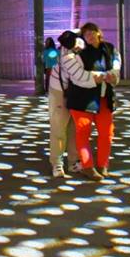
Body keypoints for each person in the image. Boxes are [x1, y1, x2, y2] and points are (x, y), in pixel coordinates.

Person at [59, 22, 121, 181]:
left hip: (104, 98)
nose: (90, 36)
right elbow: (76, 76)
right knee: (83, 133)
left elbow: (116, 65)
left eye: (92, 32)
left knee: (106, 134)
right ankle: (88, 167)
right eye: (86, 35)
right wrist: (97, 77)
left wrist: (113, 75)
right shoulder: (79, 54)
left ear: (98, 32)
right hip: (82, 99)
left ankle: (103, 165)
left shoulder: (109, 48)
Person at [47, 31, 80, 178]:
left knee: (73, 129)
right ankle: (58, 163)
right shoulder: (67, 56)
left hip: (72, 93)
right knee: (59, 129)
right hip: (60, 93)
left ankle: (72, 162)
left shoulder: (68, 53)